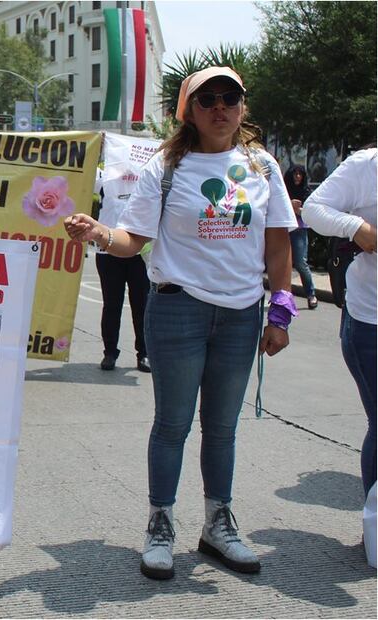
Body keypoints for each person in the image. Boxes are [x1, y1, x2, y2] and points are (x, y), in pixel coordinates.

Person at [64, 66, 297, 580]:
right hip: (178, 310)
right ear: (187, 111)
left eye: (229, 98)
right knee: (172, 426)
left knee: (222, 429)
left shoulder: (262, 167)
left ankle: (219, 525)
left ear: (243, 107)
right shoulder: (167, 168)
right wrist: (101, 233)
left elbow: (278, 245)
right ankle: (160, 526)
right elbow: (133, 239)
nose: (220, 108)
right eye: (207, 99)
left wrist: (280, 312)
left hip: (240, 315)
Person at [302, 147, 377, 500]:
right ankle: (375, 526)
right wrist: (355, 227)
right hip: (371, 321)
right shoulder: (366, 167)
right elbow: (313, 209)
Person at [95, 161, 151, 373]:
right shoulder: (103, 177)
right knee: (111, 304)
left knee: (142, 304)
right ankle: (109, 352)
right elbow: (84, 173)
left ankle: (144, 353)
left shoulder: (148, 174)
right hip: (107, 249)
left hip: (140, 250)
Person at [284, 163, 318, 309]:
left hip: (298, 229)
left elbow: (310, 213)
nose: (297, 176)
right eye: (295, 173)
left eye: (300, 174)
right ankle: (283, 298)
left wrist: (297, 210)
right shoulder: (283, 191)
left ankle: (311, 295)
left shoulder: (306, 192)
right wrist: (288, 204)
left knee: (300, 263)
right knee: (282, 263)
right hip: (283, 229)